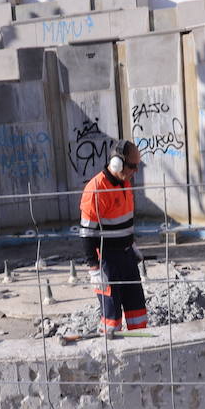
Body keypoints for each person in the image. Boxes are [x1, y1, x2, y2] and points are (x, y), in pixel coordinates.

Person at [79, 139, 148, 334]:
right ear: (117, 163)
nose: (136, 171)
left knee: (138, 312)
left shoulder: (125, 184)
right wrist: (94, 269)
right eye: (133, 166)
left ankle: (140, 346)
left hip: (127, 257)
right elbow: (86, 233)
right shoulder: (96, 189)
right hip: (107, 261)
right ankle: (110, 356)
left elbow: (124, 222)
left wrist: (132, 245)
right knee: (112, 319)